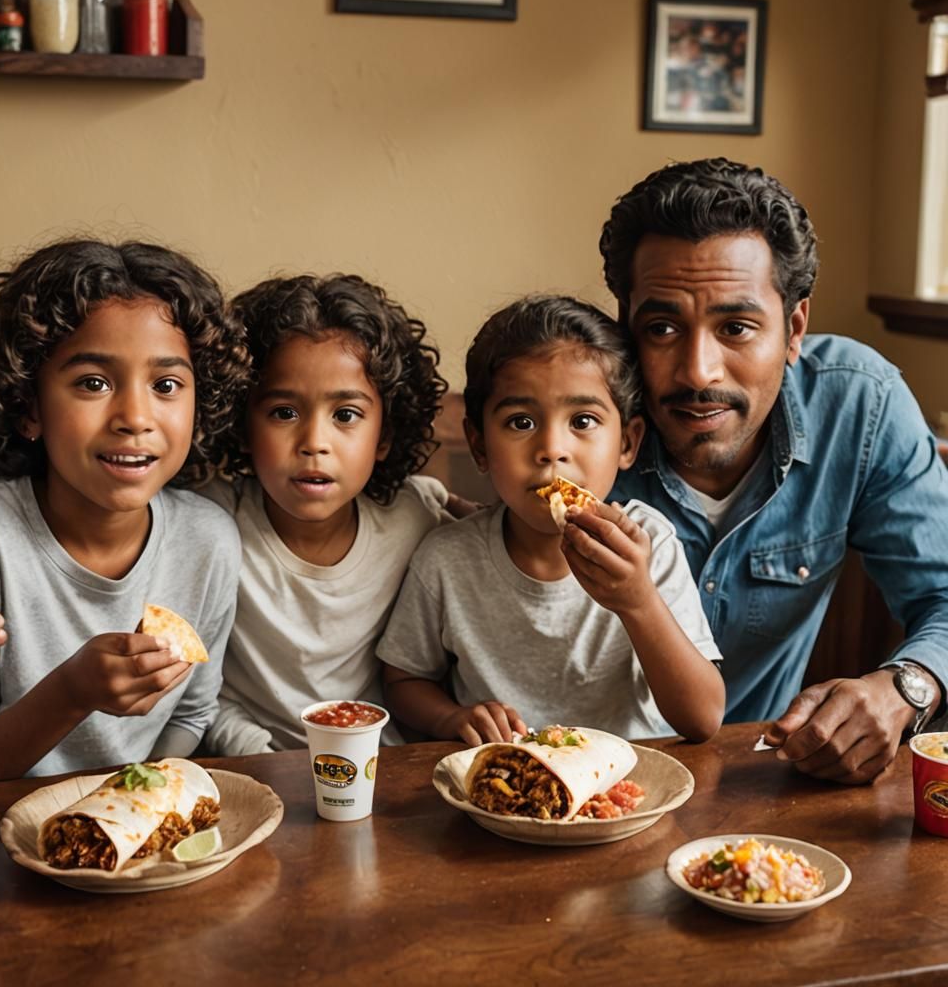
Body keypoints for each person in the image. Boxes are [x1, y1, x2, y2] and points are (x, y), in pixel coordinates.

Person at [599, 157, 948, 784]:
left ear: (793, 329)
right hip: (582, 787)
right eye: (662, 328)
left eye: (736, 327)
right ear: (627, 327)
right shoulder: (572, 430)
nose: (698, 370)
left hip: (765, 785)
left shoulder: (859, 406)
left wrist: (905, 687)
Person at [0, 239, 248, 777]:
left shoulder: (209, 540)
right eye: (93, 383)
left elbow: (192, 714)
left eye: (166, 384)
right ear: (29, 406)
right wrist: (71, 694)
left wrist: (136, 798)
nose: (135, 417)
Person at [377, 295, 725, 746]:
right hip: (503, 778)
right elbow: (403, 681)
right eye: (521, 423)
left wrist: (638, 601)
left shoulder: (650, 544)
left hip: (627, 778)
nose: (552, 449)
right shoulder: (446, 560)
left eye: (583, 420)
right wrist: (451, 718)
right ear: (480, 446)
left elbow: (702, 718)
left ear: (627, 443)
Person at [201, 273, 465, 753]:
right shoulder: (214, 523)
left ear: (384, 436)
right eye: (284, 412)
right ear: (242, 425)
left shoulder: (413, 520)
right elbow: (197, 689)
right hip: (251, 764)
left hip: (382, 769)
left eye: (345, 415)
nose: (314, 443)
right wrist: (256, 753)